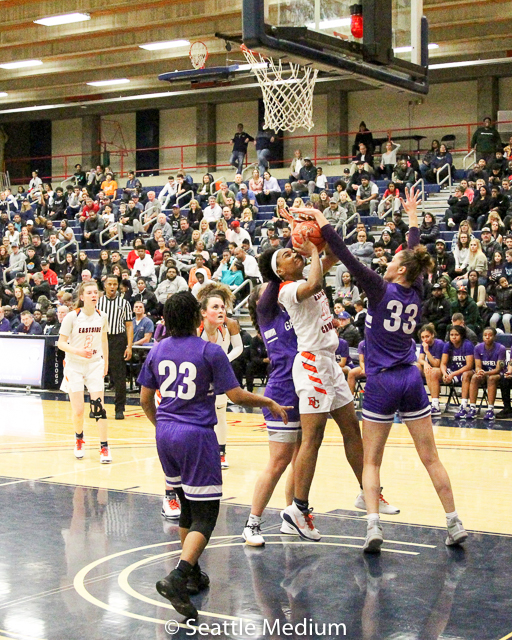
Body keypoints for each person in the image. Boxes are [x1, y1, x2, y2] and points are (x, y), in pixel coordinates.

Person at [305, 189, 467, 552]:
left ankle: (373, 526)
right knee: (431, 458)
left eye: (393, 260)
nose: (388, 262)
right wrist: (413, 220)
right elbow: (414, 255)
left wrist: (320, 217)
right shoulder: (417, 290)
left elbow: (344, 253)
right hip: (410, 377)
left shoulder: (379, 289)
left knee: (372, 460)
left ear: (401, 270)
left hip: (380, 381)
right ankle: (454, 522)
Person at [138, 291, 290, 620]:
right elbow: (235, 395)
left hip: (165, 434)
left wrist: (161, 426)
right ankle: (178, 576)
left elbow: (145, 399)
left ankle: (192, 574)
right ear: (197, 317)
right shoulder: (209, 351)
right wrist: (268, 401)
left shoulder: (158, 349)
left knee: (186, 506)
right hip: (197, 435)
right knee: (206, 515)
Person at [269, 231, 397, 543]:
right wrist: (312, 251)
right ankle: (298, 510)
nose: (292, 254)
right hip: (311, 363)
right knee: (312, 437)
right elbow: (314, 283)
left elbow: (333, 256)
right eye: (286, 255)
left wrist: (318, 237)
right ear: (280, 271)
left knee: (352, 429)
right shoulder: (287, 290)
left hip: (329, 363)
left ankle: (368, 492)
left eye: (292, 251)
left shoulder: (306, 274)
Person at [57, 281, 111, 463]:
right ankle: (79, 439)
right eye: (89, 292)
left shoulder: (102, 316)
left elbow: (104, 340)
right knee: (79, 410)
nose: (93, 295)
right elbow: (61, 343)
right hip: (74, 365)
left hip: (95, 364)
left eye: (95, 292)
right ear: (82, 296)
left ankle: (104, 446)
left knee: (99, 408)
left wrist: (106, 362)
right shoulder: (72, 317)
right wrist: (77, 351)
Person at [197, 283, 243, 469]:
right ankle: (200, 450)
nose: (220, 310)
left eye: (222, 306)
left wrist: (224, 360)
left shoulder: (231, 324)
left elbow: (239, 347)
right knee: (200, 414)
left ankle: (221, 452)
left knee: (220, 415)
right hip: (200, 375)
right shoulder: (197, 327)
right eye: (215, 306)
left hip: (220, 375)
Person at [96, 275, 133, 420]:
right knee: (97, 374)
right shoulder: (98, 302)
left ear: (118, 286)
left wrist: (129, 346)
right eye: (109, 284)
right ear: (105, 285)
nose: (112, 287)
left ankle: (119, 409)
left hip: (118, 339)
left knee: (119, 376)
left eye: (115, 284)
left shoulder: (124, 303)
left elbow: (129, 326)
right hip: (101, 339)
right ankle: (96, 406)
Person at [418, 323, 445, 416]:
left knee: (432, 372)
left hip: (442, 370)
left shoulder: (439, 344)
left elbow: (436, 364)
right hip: (430, 370)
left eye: (427, 336)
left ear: (432, 335)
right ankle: (416, 399)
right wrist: (425, 363)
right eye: (423, 337)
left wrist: (427, 351)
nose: (425, 339)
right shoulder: (424, 345)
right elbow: (420, 359)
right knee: (415, 367)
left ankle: (435, 405)